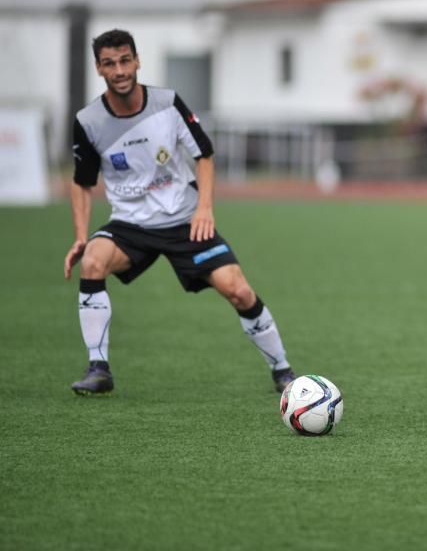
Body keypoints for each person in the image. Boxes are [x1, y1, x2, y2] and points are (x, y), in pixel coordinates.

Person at [64, 29, 296, 395]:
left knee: (238, 290)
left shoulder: (167, 103)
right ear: (99, 68)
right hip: (129, 224)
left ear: (137, 61)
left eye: (125, 60)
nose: (120, 70)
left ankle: (282, 370)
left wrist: (204, 209)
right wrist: (81, 235)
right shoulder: (89, 121)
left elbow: (204, 154)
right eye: (110, 63)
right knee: (92, 261)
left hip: (185, 220)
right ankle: (99, 369)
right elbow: (82, 181)